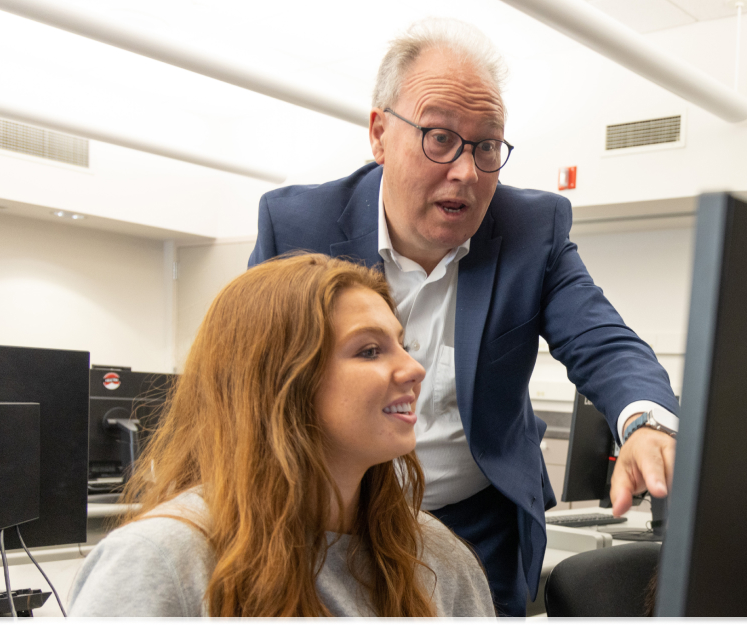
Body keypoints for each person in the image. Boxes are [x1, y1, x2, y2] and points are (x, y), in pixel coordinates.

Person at [247, 18, 679, 615]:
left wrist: (647, 423)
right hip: (325, 514)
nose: (466, 173)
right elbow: (246, 377)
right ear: (378, 133)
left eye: (485, 147)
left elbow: (605, 343)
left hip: (477, 526)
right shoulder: (298, 227)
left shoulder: (531, 231)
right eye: (440, 138)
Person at [68, 254, 495, 617]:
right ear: (280, 383)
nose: (414, 369)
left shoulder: (436, 555)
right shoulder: (161, 560)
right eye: (369, 350)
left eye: (402, 346)